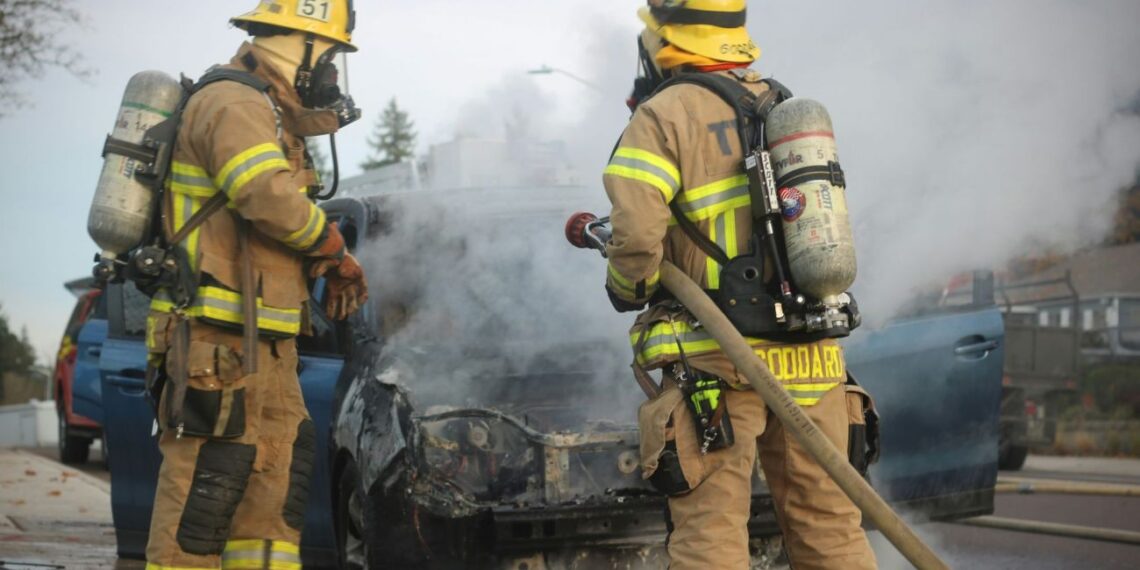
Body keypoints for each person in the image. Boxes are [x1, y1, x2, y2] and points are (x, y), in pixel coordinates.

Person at [602, 1, 877, 568]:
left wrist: (627, 289)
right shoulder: (783, 106)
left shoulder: (664, 115)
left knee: (711, 539)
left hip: (717, 365)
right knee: (832, 531)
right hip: (813, 361)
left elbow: (636, 239)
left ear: (663, 40)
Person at [143, 1, 367, 567]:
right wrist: (333, 249)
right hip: (213, 341)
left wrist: (317, 263)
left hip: (266, 346)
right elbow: (262, 193)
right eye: (330, 55)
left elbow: (270, 223)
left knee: (275, 492)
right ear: (302, 45)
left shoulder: (270, 114)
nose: (333, 72)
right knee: (201, 499)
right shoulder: (233, 102)